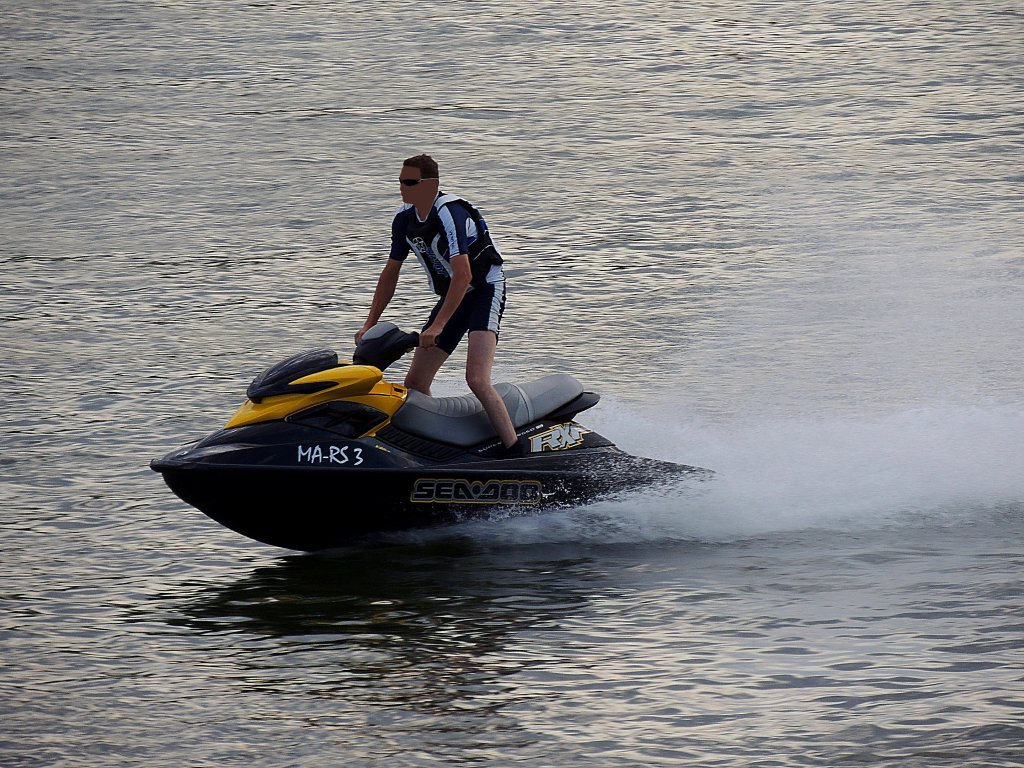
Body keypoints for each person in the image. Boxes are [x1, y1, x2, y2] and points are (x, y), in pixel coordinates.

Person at [355, 154, 521, 455]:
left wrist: (439, 325)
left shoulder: (449, 213)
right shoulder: (404, 220)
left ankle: (516, 454)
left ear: (431, 185)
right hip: (454, 296)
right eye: (400, 181)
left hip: (484, 290)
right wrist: (369, 323)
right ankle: (438, 449)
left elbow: (464, 273)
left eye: (410, 182)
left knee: (476, 379)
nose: (402, 187)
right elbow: (390, 273)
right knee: (415, 381)